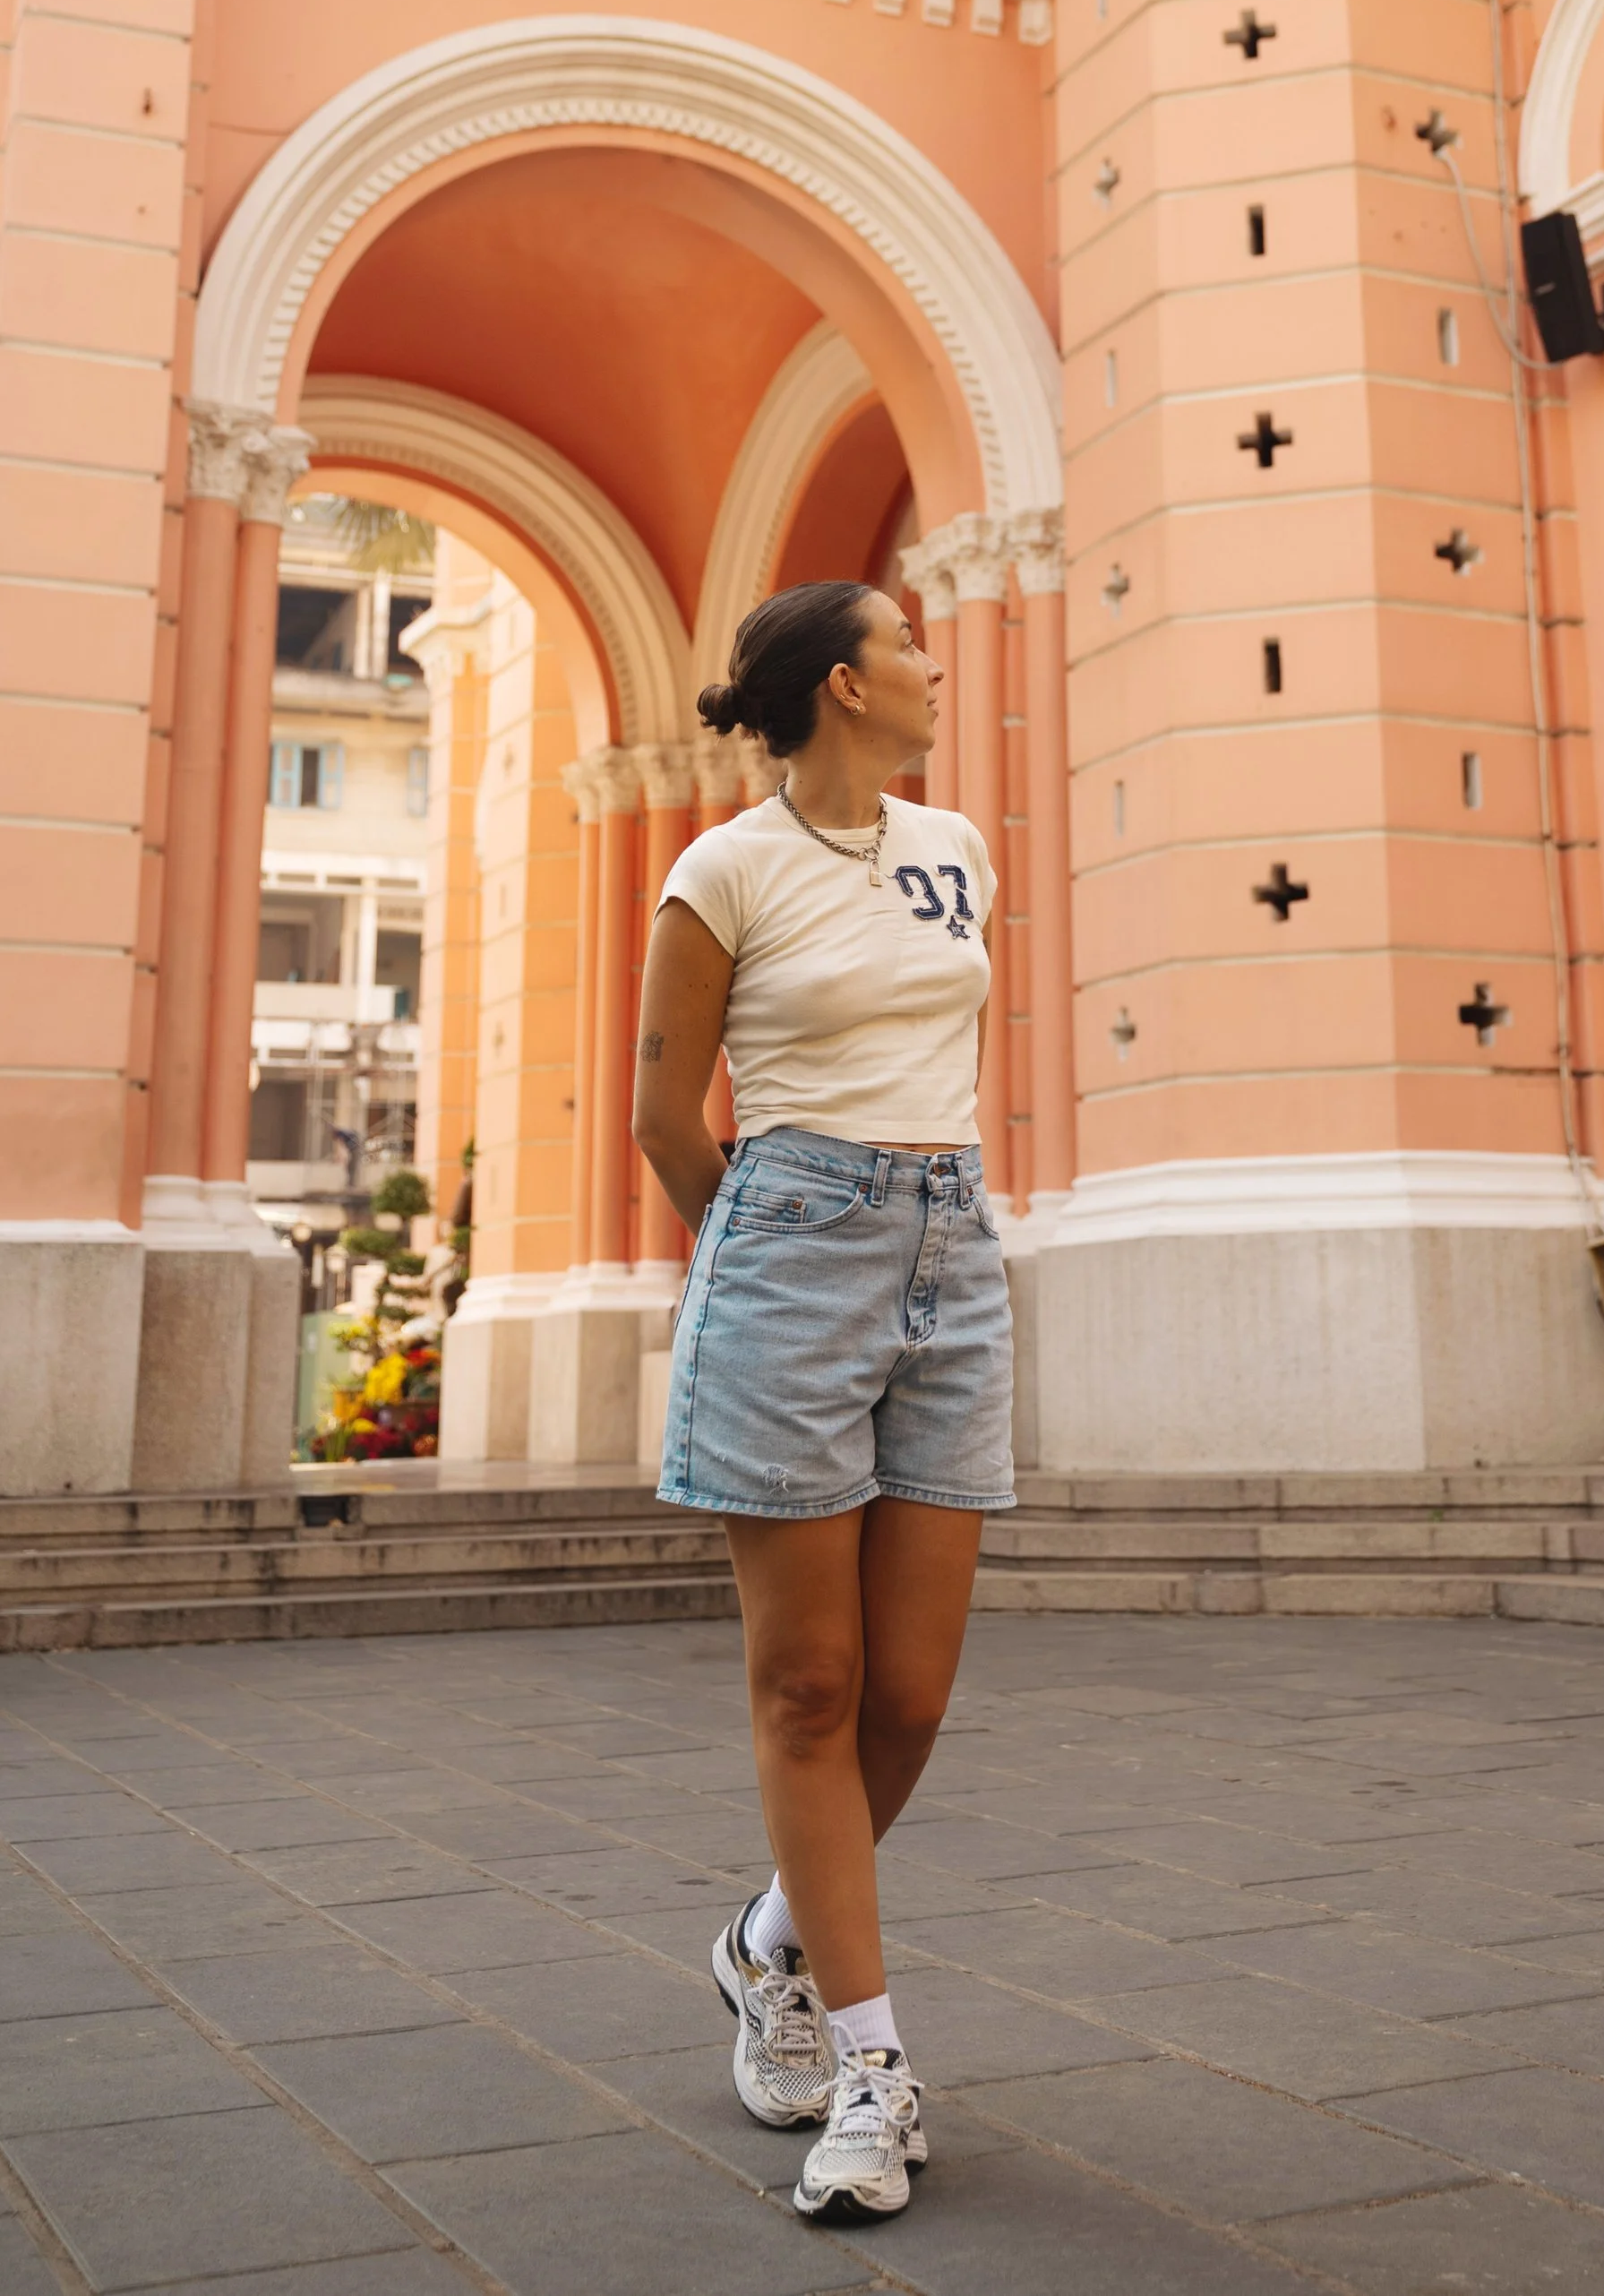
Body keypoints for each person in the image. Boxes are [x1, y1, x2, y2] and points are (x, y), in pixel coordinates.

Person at [631, 578, 1012, 2226]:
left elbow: (946, 1049)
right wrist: (767, 1256)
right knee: (810, 1683)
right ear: (847, 683)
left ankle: (766, 1939)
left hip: (952, 1248)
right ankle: (869, 2067)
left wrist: (907, 1223)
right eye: (907, 640)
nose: (933, 659)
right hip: (789, 1245)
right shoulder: (723, 869)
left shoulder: (956, 848)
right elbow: (666, 1116)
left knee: (907, 1697)